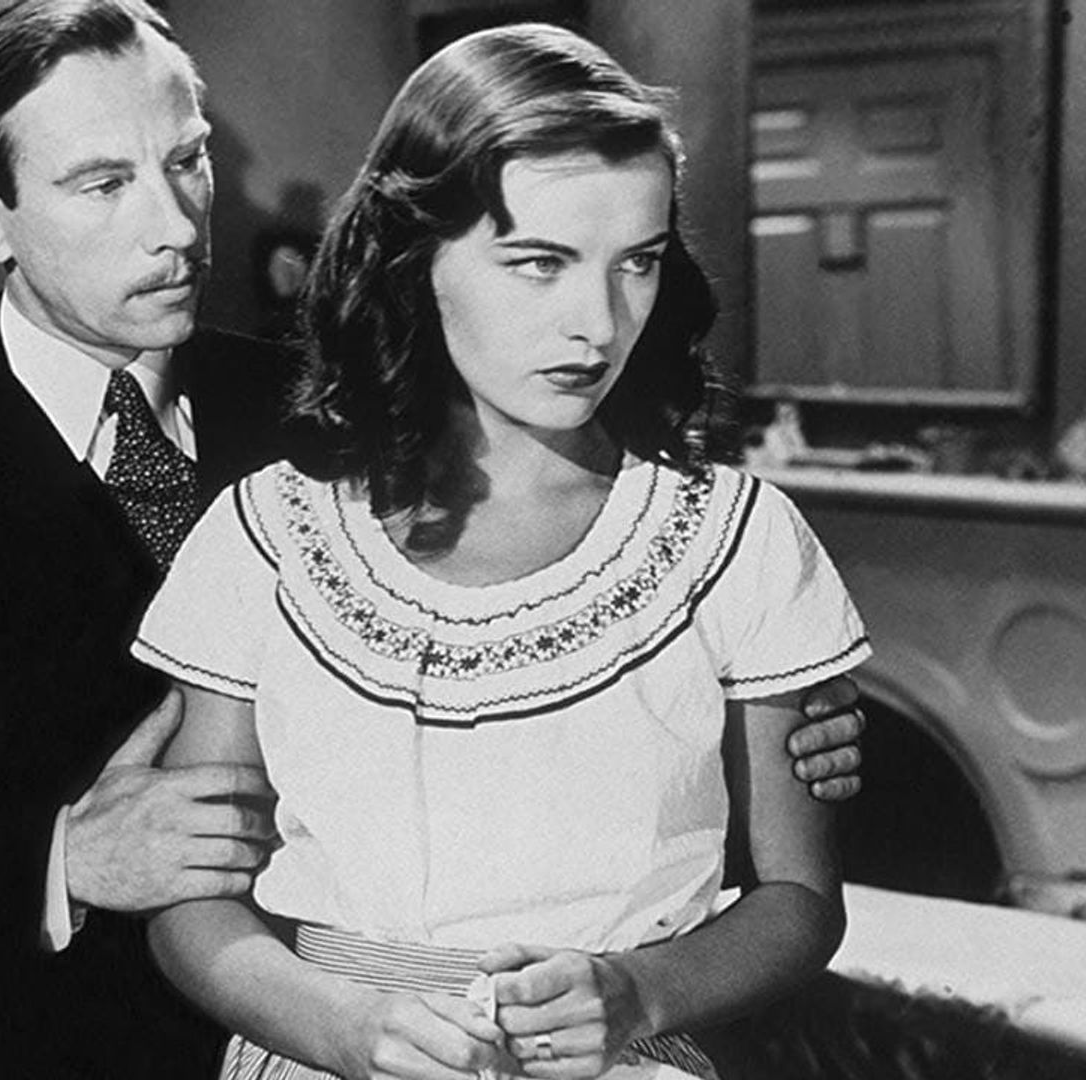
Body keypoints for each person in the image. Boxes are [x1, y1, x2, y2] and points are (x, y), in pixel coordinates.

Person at [0, 3, 867, 1076]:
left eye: (187, 160)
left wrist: (752, 724)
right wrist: (53, 860)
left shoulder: (342, 414)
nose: (176, 224)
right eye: (104, 183)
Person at [138, 24, 867, 1080]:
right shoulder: (269, 536)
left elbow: (800, 903)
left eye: (637, 263)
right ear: (415, 260)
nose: (596, 324)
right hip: (321, 1052)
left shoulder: (734, 539)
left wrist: (640, 991)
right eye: (538, 264)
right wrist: (339, 1027)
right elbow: (191, 904)